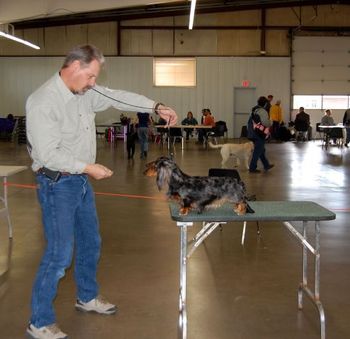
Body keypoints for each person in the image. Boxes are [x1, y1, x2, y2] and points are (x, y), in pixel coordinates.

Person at [25, 44, 177, 339]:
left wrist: (155, 107)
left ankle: (87, 297)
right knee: (59, 255)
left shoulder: (85, 92)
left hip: (79, 183)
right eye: (92, 76)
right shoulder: (43, 101)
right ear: (75, 67)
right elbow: (47, 155)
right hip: (56, 184)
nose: (95, 83)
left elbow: (118, 96)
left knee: (91, 243)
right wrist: (88, 167)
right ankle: (39, 321)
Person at [247, 96, 274, 173]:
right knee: (258, 150)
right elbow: (266, 123)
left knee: (261, 149)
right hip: (259, 134)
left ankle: (266, 165)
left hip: (252, 133)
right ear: (265, 104)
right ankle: (252, 168)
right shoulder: (263, 111)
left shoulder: (254, 110)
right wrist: (271, 121)